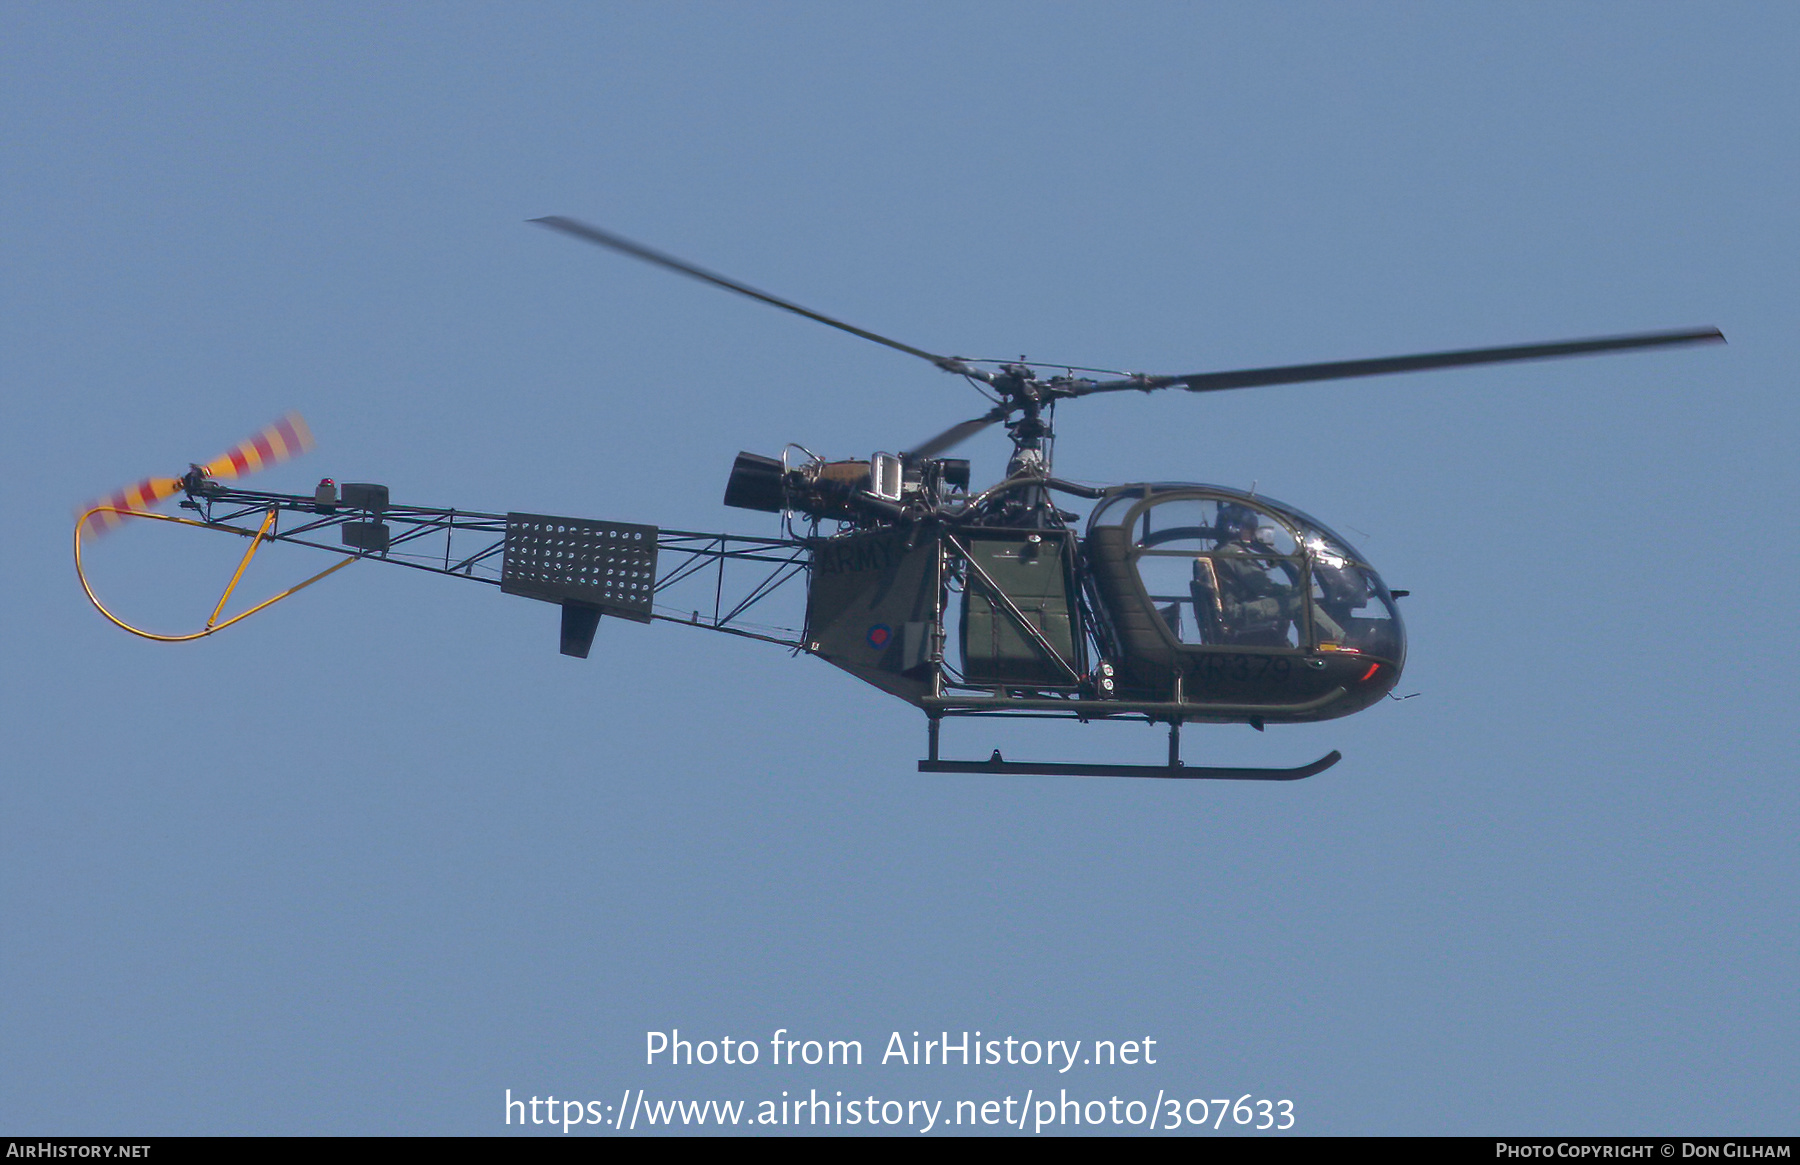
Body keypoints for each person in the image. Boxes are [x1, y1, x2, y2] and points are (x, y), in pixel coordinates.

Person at [1196, 502, 1344, 646]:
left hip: (1238, 610)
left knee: (1295, 602)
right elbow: (1262, 586)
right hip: (1238, 613)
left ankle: (1308, 646)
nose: (1252, 534)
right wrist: (1294, 591)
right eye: (1248, 529)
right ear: (1236, 529)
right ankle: (1342, 641)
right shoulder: (1232, 552)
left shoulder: (1224, 551)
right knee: (1300, 603)